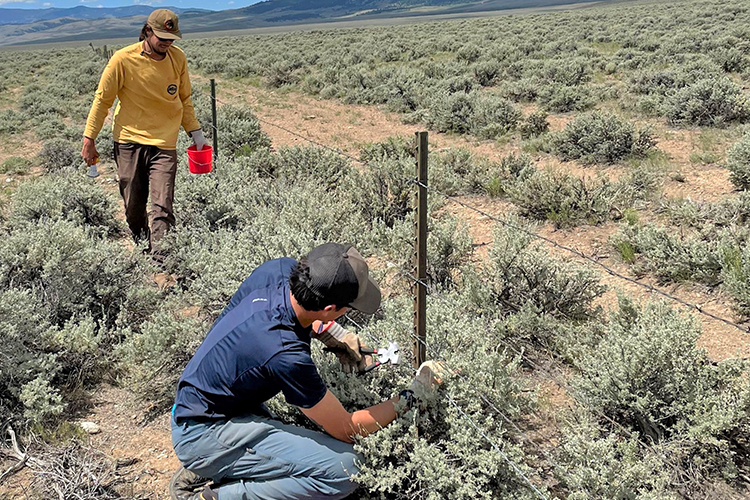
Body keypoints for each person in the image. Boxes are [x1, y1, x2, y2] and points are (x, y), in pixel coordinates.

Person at [169, 243, 445, 500]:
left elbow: (290, 316)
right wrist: (413, 394)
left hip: (204, 402)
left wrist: (332, 333)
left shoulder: (278, 269)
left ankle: (223, 463)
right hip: (202, 431)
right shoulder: (284, 354)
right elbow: (347, 430)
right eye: (346, 310)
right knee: (347, 469)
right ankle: (216, 492)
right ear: (329, 308)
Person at [81, 9, 207, 258]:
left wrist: (196, 132)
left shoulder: (178, 59)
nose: (167, 43)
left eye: (171, 38)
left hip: (164, 142)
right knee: (133, 206)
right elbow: (102, 100)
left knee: (162, 206)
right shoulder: (122, 59)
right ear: (147, 31)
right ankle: (142, 245)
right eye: (162, 37)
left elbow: (185, 99)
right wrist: (89, 138)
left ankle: (161, 263)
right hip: (129, 140)